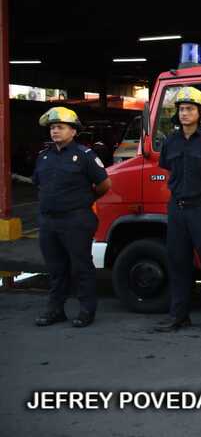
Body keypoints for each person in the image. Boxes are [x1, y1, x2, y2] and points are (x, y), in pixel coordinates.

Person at [154, 86, 201, 335]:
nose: (185, 113)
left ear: (200, 112)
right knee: (178, 264)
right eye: (182, 109)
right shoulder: (170, 141)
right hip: (177, 210)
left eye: (190, 109)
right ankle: (179, 316)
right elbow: (168, 169)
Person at [33, 107, 111, 328]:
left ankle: (87, 310)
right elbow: (39, 183)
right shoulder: (44, 156)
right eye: (52, 128)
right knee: (56, 268)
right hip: (49, 221)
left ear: (73, 131)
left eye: (60, 127)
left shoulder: (85, 156)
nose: (55, 131)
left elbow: (105, 184)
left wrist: (85, 200)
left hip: (76, 220)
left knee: (81, 267)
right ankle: (55, 310)